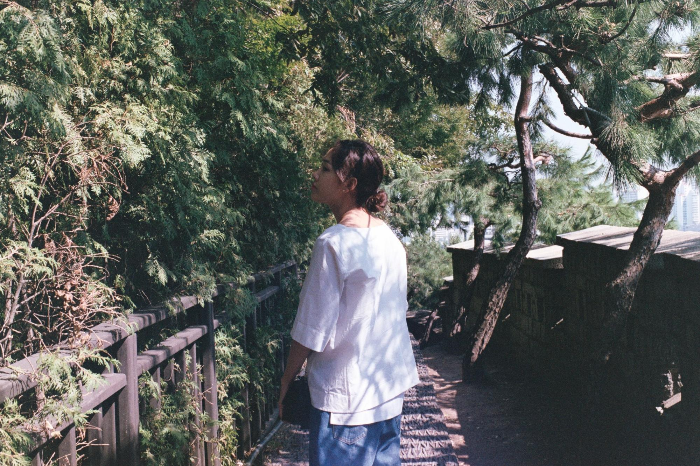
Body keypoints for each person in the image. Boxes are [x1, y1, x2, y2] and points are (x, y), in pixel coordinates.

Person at [278, 139, 420, 466]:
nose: (315, 174)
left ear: (349, 184)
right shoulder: (389, 239)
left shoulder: (333, 243)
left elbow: (311, 330)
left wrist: (286, 382)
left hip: (345, 404)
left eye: (325, 169)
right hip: (387, 394)